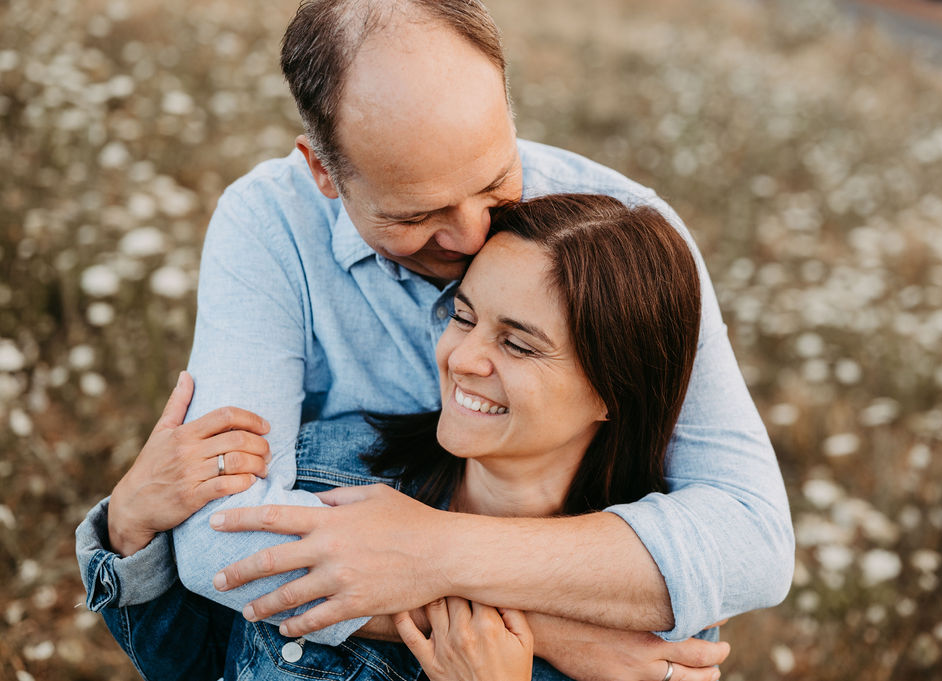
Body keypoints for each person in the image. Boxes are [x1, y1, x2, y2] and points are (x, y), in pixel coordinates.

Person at [80, 0, 794, 677]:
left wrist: (433, 549)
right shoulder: (269, 229)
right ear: (324, 172)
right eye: (420, 213)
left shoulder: (629, 240)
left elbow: (754, 540)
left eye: (493, 180)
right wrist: (554, 632)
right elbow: (218, 540)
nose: (476, 235)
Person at [78, 193, 726, 681]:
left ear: (616, 389)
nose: (463, 358)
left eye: (518, 343)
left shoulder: (656, 628)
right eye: (464, 316)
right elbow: (198, 664)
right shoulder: (327, 466)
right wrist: (131, 529)